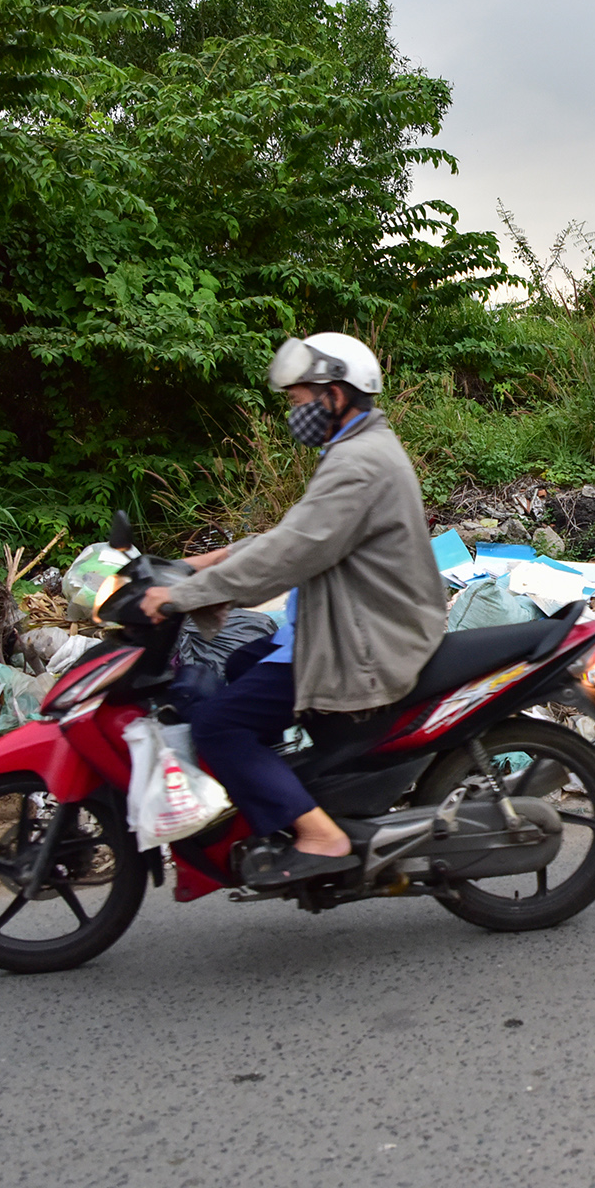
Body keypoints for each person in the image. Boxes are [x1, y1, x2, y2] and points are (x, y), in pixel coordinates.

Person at [138, 332, 446, 888]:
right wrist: (204, 561)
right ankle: (290, 797)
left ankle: (321, 836)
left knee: (217, 725)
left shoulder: (359, 462)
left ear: (336, 395)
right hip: (346, 624)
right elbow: (298, 532)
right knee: (234, 668)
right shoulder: (356, 450)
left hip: (362, 642)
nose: (293, 412)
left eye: (298, 400)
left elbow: (292, 552)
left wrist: (183, 596)